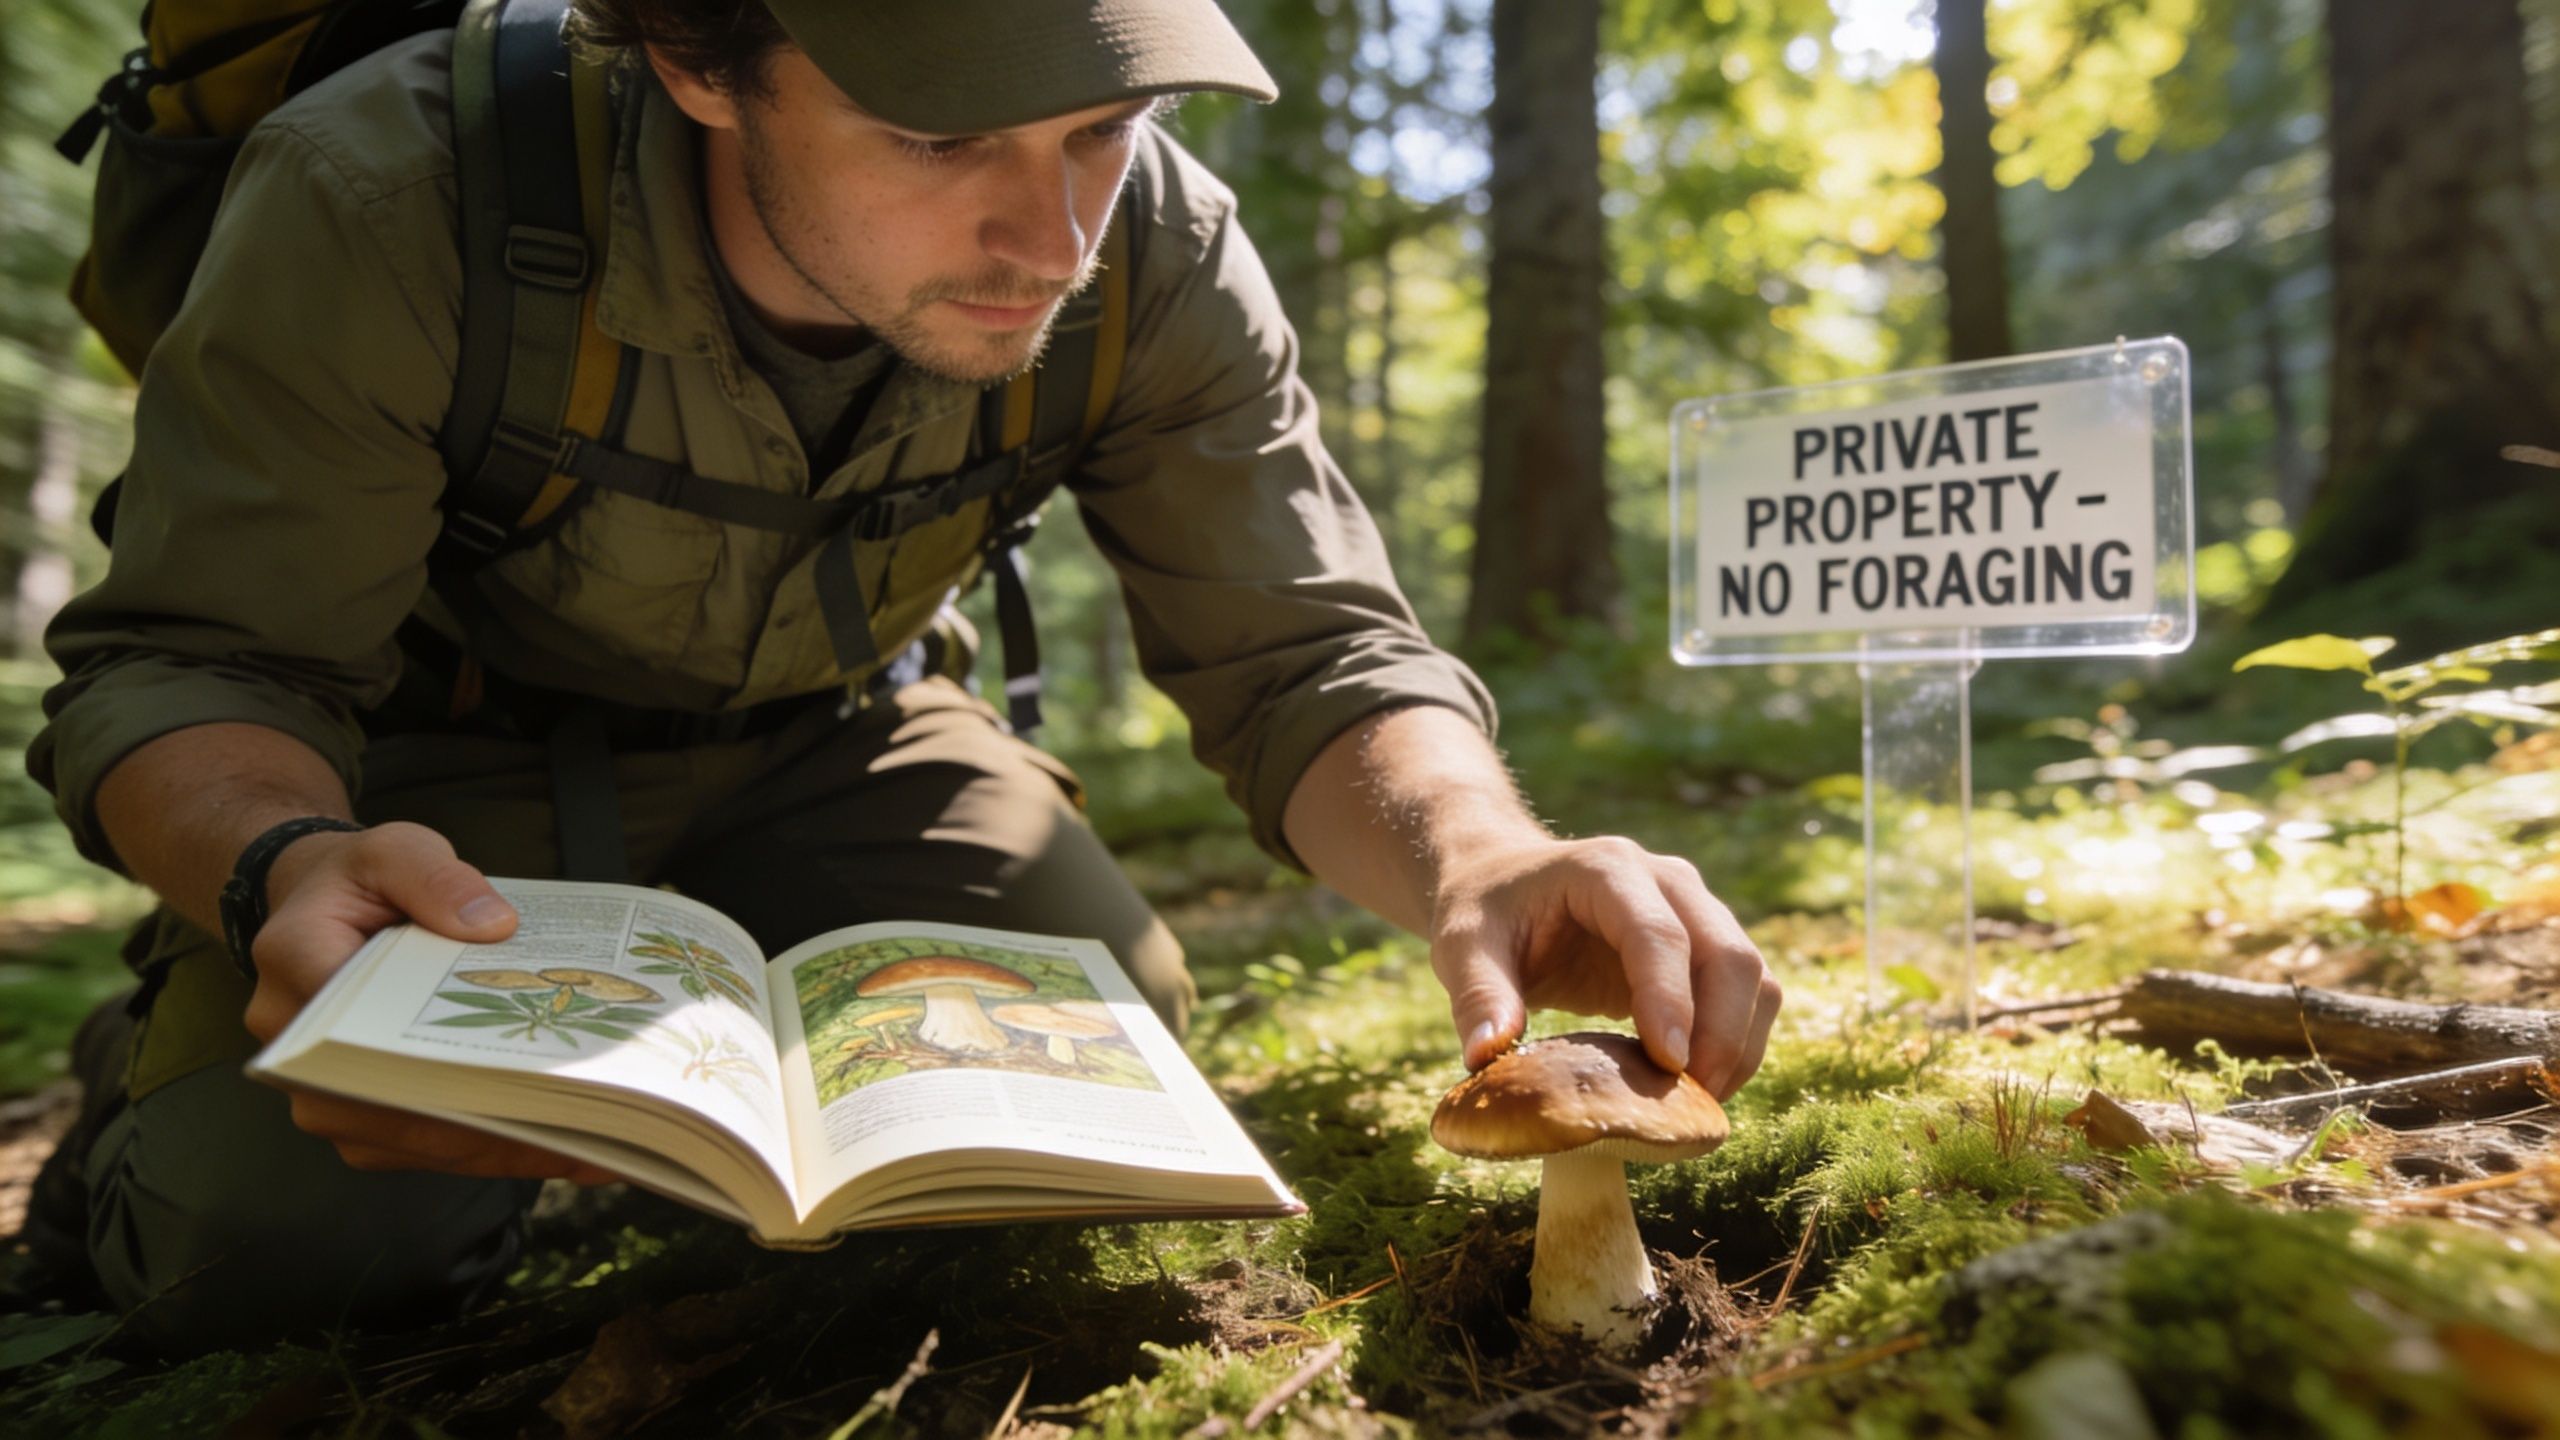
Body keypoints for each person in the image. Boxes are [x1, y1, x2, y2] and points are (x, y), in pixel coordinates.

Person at [17, 0, 1781, 1352]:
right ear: (703, 60)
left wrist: (1477, 852)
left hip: (838, 736)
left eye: (1101, 123)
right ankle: (134, 1096)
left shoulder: (1154, 244)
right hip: (420, 793)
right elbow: (193, 659)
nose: (1055, 237)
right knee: (280, 1250)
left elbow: (1305, 649)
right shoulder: (387, 192)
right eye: (942, 138)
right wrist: (273, 867)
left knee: (1074, 1096)